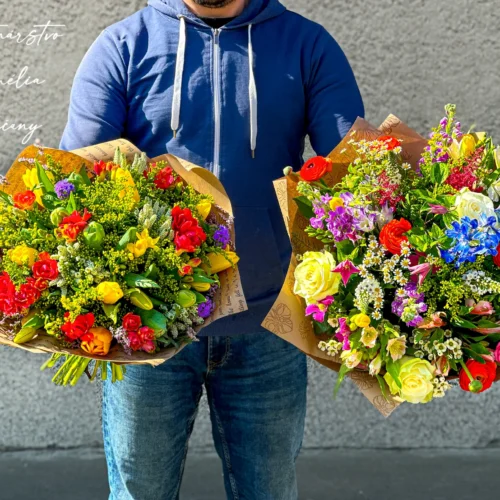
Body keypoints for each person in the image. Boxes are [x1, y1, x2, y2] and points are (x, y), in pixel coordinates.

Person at [60, 0, 364, 498]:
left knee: (268, 491)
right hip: (146, 327)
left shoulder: (306, 45)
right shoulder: (124, 46)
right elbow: (77, 179)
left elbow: (356, 171)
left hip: (267, 323)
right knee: (140, 493)